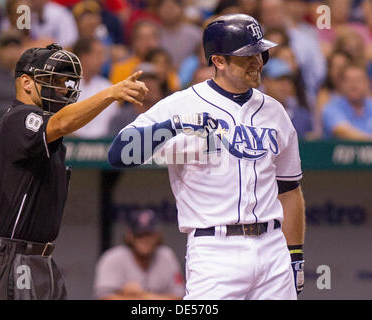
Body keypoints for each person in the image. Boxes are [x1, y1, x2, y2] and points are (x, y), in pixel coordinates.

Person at [108, 14, 306, 300]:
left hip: (273, 246)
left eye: (260, 53)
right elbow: (119, 155)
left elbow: (288, 189)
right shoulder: (181, 104)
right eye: (247, 55)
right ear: (219, 61)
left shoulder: (276, 112)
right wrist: (173, 126)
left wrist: (294, 252)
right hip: (215, 248)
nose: (258, 61)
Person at [0, 43, 148, 300]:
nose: (62, 88)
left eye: (64, 81)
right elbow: (64, 122)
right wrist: (111, 93)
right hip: (10, 256)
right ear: (26, 82)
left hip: (38, 258)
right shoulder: (20, 117)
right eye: (53, 80)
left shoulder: (39, 125)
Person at [93, 208, 185, 299]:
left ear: (157, 235)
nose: (145, 240)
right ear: (129, 236)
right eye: (140, 235)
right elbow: (104, 297)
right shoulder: (113, 258)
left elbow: (179, 297)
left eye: (149, 234)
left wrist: (142, 295)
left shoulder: (166, 256)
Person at [71, 37, 119, 139]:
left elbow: (113, 123)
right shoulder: (64, 85)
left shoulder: (108, 87)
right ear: (83, 57)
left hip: (102, 147)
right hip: (68, 144)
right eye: (98, 55)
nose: (102, 60)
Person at [262, 58, 312, 139]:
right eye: (279, 80)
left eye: (288, 80)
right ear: (265, 81)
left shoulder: (302, 116)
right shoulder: (254, 112)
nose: (285, 85)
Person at [322, 64, 372, 141]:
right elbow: (342, 131)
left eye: (358, 80)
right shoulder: (331, 108)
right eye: (349, 80)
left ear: (367, 83)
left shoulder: (370, 105)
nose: (354, 85)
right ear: (342, 84)